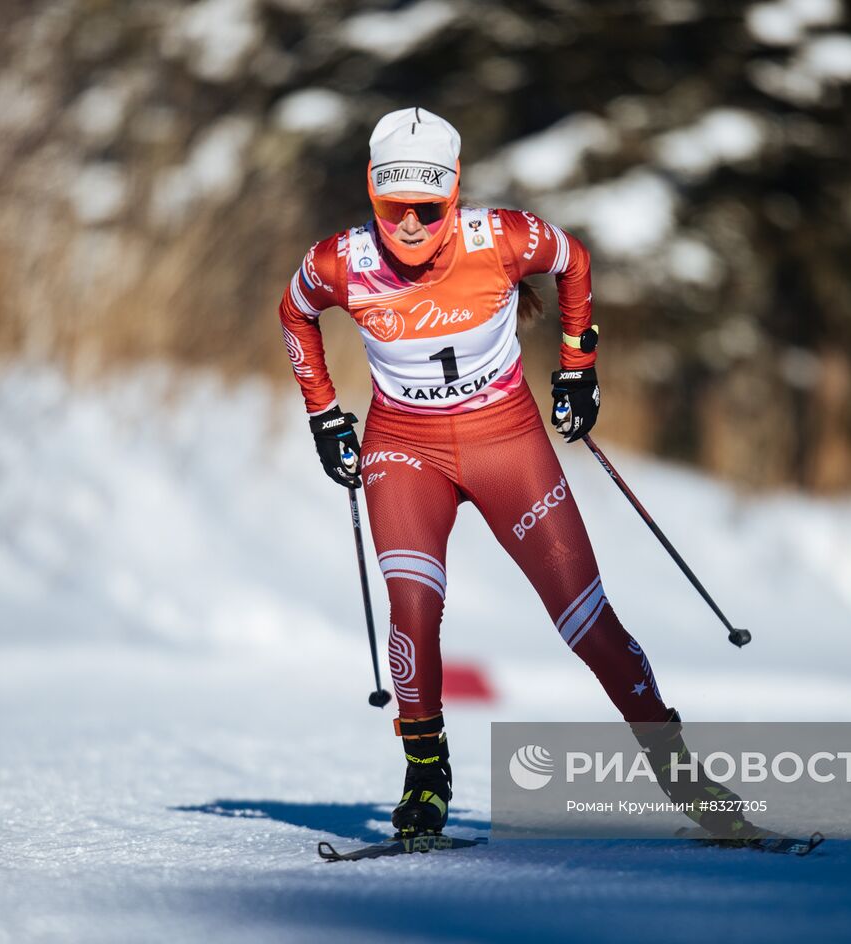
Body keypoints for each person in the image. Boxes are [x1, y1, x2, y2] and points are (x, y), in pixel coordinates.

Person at [277, 107, 762, 845]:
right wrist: (324, 416)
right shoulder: (341, 261)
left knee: (588, 624)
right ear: (371, 193)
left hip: (507, 445)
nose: (409, 225)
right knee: (411, 607)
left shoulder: (500, 238)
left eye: (427, 208)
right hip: (404, 449)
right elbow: (294, 312)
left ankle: (683, 777)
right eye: (392, 207)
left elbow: (574, 262)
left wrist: (578, 365)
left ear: (455, 193)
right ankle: (425, 778)